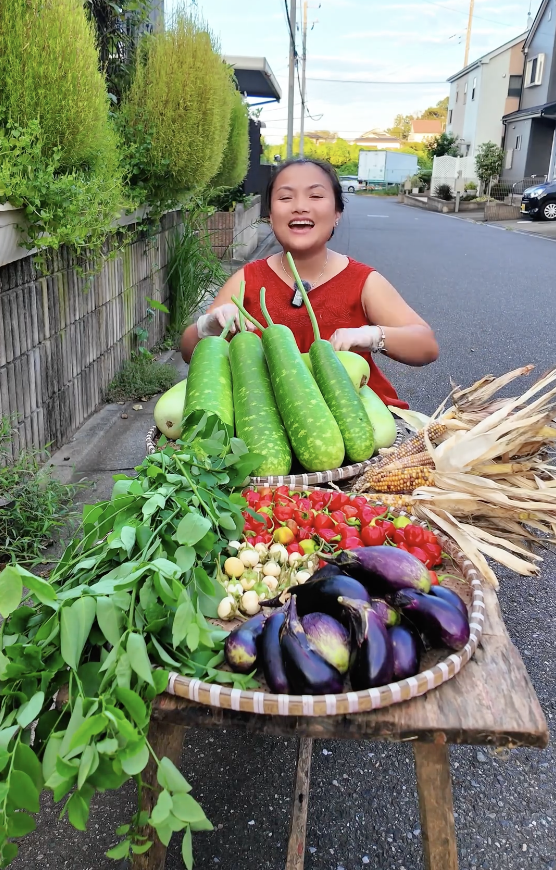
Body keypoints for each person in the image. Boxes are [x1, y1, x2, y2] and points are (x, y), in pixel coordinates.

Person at [181, 157, 438, 409]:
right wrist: (208, 325)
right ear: (270, 216)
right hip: (266, 418)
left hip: (357, 416)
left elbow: (425, 345)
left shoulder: (363, 281)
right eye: (285, 197)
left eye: (315, 196)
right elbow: (188, 351)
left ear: (337, 212)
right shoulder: (247, 279)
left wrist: (372, 335)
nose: (300, 206)